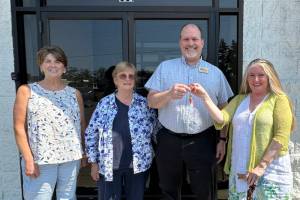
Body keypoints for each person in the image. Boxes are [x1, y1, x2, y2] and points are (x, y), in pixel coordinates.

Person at [145, 23, 233, 200]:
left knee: (205, 192)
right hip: (169, 139)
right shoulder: (165, 68)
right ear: (180, 42)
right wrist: (169, 94)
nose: (190, 43)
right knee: (168, 191)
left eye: (194, 39)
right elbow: (151, 102)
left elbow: (224, 110)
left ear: (202, 42)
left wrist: (222, 139)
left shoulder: (215, 73)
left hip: (203, 140)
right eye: (186, 39)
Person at [193, 58, 295, 199]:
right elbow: (221, 119)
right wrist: (204, 97)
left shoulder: (279, 99)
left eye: (261, 75)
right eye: (251, 75)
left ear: (270, 77)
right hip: (241, 170)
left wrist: (260, 167)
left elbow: (281, 137)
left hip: (271, 172)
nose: (256, 79)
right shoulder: (239, 100)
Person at [13, 45, 86, 200]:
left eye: (58, 61)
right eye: (48, 61)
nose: (53, 65)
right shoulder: (27, 91)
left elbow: (81, 125)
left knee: (67, 197)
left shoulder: (75, 94)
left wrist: (84, 153)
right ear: (41, 66)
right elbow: (19, 127)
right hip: (41, 159)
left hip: (70, 158)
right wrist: (28, 159)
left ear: (64, 68)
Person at [85, 61, 156, 200]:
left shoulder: (145, 104)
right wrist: (93, 163)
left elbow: (155, 130)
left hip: (138, 164)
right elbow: (91, 133)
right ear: (115, 80)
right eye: (123, 76)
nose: (127, 79)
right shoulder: (104, 103)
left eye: (131, 76)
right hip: (109, 164)